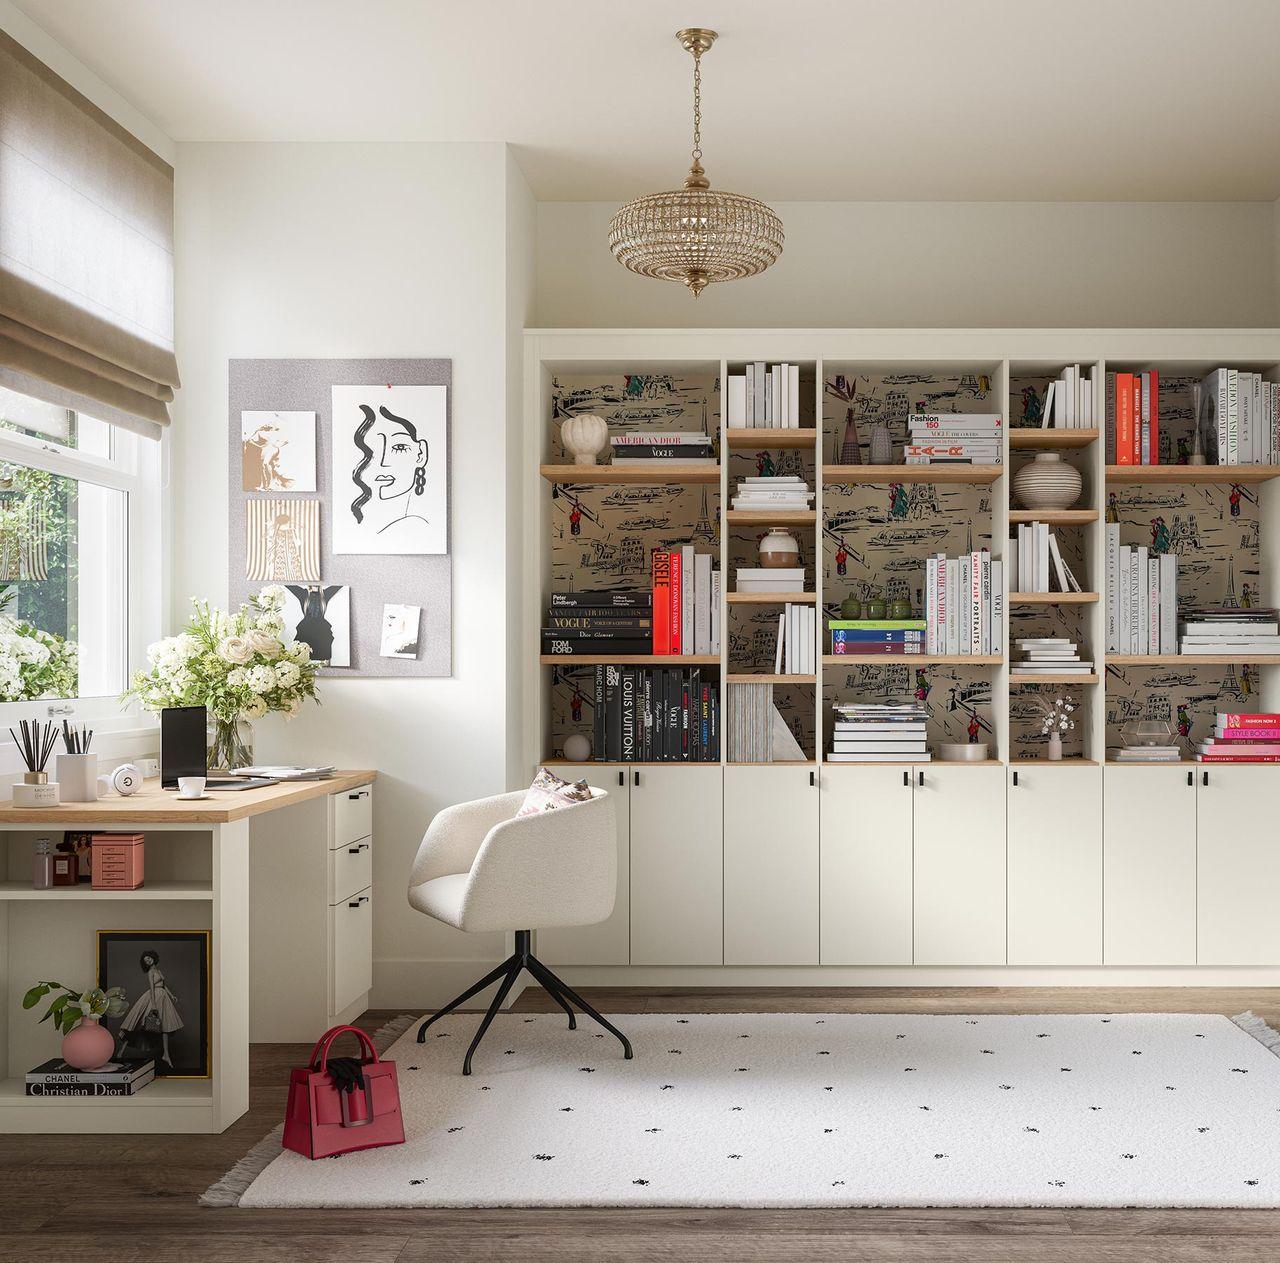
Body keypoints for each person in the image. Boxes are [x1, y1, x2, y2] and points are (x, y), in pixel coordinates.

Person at [349, 405, 431, 546]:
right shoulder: (361, 533)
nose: (384, 463)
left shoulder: (418, 527)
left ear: (421, 454)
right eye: (371, 450)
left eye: (399, 447)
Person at [119, 950, 183, 1067]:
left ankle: (166, 1055)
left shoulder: (158, 971)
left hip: (163, 996)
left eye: (148, 958)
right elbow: (152, 988)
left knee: (165, 1026)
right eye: (145, 960)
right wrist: (153, 1004)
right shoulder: (150, 972)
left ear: (153, 957)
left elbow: (163, 985)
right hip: (154, 997)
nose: (148, 960)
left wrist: (171, 995)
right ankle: (121, 1052)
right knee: (139, 1024)